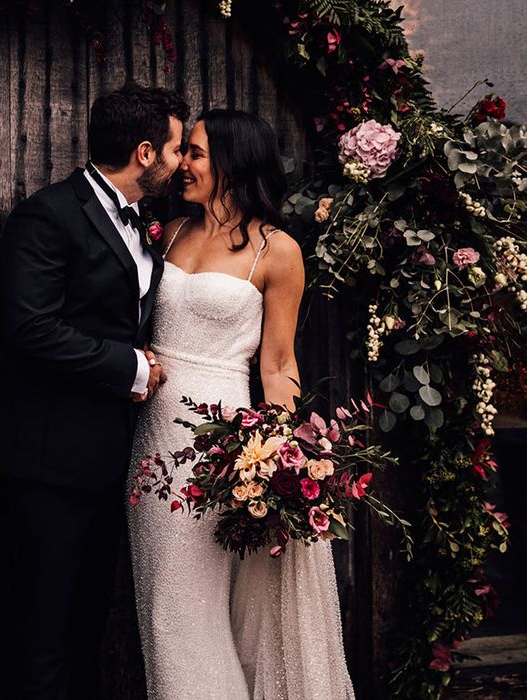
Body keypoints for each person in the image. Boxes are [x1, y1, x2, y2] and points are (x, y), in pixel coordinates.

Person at [127, 109, 355, 699]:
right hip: (154, 437)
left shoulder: (278, 252)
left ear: (233, 161)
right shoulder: (171, 232)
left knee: (207, 605)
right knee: (165, 607)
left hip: (225, 442)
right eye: (186, 152)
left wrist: (284, 459)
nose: (183, 165)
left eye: (197, 153)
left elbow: (278, 366)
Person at [0, 82, 189, 699]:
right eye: (176, 148)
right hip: (50, 463)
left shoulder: (147, 223)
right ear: (144, 152)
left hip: (111, 460)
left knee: (86, 628)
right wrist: (131, 368)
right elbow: (29, 327)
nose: (181, 161)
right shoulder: (48, 214)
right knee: (43, 634)